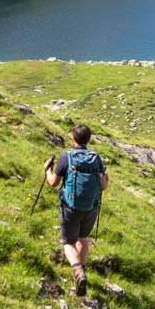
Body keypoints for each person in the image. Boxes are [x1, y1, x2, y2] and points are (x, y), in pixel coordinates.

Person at [45, 123, 108, 296]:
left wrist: (47, 169)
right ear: (88, 139)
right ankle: (82, 272)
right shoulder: (96, 157)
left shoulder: (66, 156)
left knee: (68, 242)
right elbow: (103, 186)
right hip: (91, 208)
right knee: (83, 238)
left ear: (73, 138)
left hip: (70, 207)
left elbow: (53, 182)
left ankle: (78, 271)